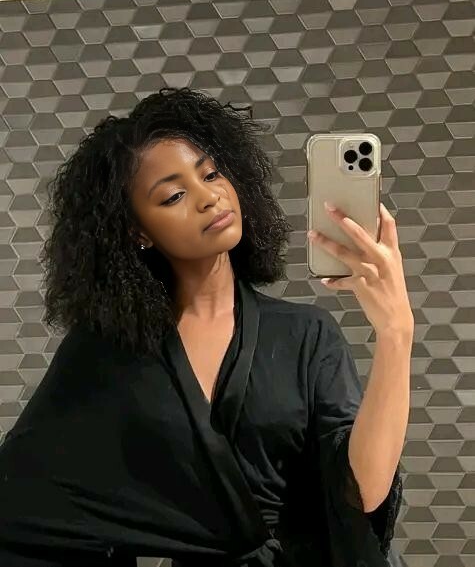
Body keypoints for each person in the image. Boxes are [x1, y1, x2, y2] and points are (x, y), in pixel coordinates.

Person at [0, 87, 413, 567]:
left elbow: (361, 492)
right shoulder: (107, 350)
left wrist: (396, 333)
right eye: (174, 195)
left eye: (211, 174)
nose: (208, 197)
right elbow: (29, 496)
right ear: (137, 231)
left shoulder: (306, 335)